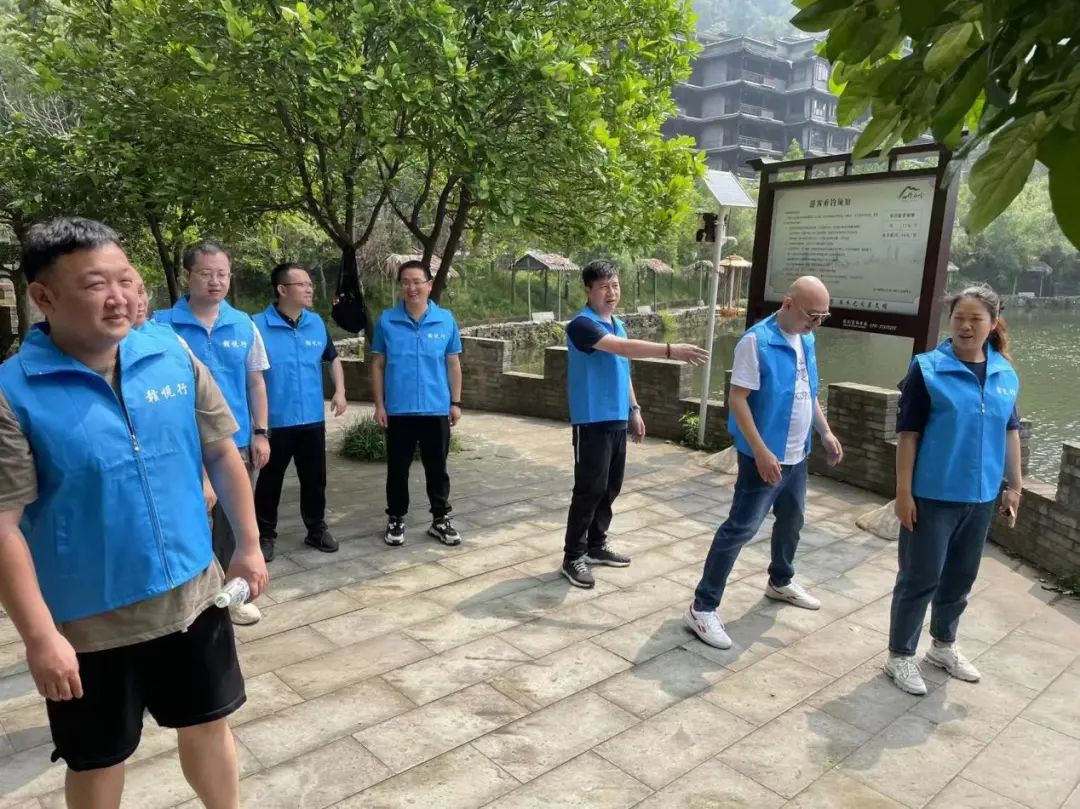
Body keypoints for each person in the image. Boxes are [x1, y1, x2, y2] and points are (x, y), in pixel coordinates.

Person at [0, 217, 268, 809]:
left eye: (126, 279)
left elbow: (222, 451)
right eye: (96, 284)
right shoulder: (13, 393)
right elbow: (3, 526)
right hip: (90, 622)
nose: (120, 297)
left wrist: (248, 545)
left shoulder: (169, 353)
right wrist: (40, 637)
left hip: (193, 595)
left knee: (209, 724)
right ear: (44, 296)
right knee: (98, 759)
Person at [685, 276, 844, 649]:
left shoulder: (806, 339)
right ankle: (702, 607)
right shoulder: (756, 342)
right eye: (812, 315)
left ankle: (780, 580)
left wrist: (825, 432)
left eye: (823, 317)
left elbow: (808, 391)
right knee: (740, 528)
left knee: (792, 521)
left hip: (797, 455)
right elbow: (737, 399)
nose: (817, 323)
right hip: (764, 458)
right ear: (788, 304)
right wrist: (759, 450)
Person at [885, 284, 1021, 695]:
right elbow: (908, 436)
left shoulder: (1003, 372)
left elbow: (1010, 431)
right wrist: (903, 493)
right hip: (932, 496)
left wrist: (1014, 486)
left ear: (993, 323)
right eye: (959, 318)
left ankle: (943, 646)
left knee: (961, 577)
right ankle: (900, 655)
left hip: (980, 498)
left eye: (976, 319)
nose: (966, 326)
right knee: (920, 577)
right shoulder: (928, 370)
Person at [560, 259, 709, 589]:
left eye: (615, 285)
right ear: (588, 290)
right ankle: (573, 556)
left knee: (610, 486)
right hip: (591, 420)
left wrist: (635, 408)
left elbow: (623, 366)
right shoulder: (582, 325)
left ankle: (596, 545)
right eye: (604, 286)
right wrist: (670, 350)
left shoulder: (617, 323)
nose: (611, 292)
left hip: (616, 417)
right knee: (589, 489)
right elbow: (621, 348)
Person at [152, 241, 270, 625]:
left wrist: (261, 432)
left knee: (234, 523)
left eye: (222, 274)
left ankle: (233, 596)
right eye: (206, 273)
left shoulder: (244, 324)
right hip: (180, 448)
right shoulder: (160, 327)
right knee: (184, 522)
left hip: (234, 445)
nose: (215, 281)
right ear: (188, 275)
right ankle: (190, 602)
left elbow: (255, 382)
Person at [252, 262, 346, 561]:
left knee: (315, 479)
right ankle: (264, 535)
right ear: (282, 290)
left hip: (312, 420)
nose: (309, 289)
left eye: (310, 284)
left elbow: (332, 358)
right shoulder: (256, 326)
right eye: (302, 284)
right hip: (275, 422)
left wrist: (340, 391)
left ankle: (316, 529)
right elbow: (249, 375)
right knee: (269, 482)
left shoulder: (316, 323)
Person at [371, 260, 464, 546]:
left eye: (417, 282)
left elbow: (453, 364)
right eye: (405, 282)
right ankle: (396, 518)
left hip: (436, 408)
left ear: (429, 285)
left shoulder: (445, 320)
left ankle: (440, 519)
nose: (411, 288)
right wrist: (380, 405)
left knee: (437, 468)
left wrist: (456, 402)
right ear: (400, 286)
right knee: (397, 469)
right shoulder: (387, 321)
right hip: (399, 410)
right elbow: (378, 365)